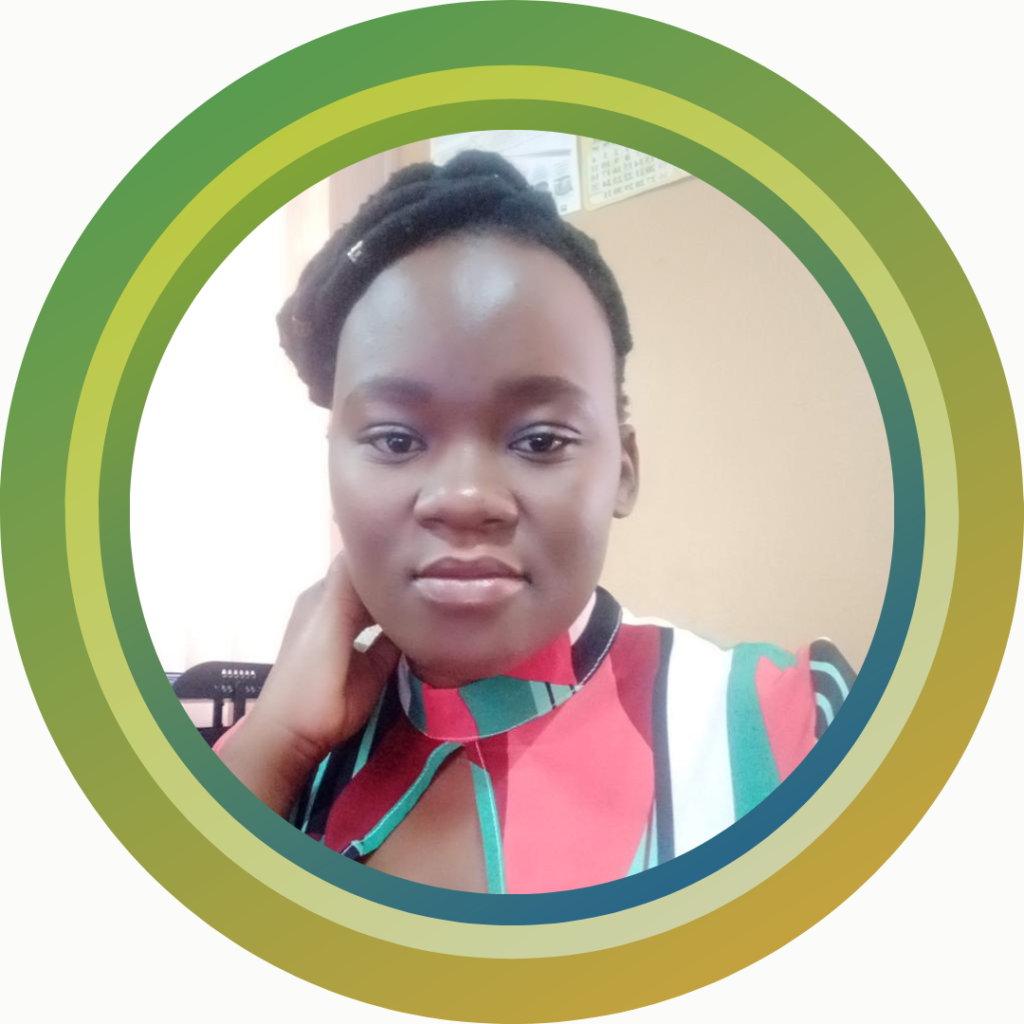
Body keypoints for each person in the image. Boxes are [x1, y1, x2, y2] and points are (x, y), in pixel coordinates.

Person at [216, 150, 855, 894]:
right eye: (395, 440)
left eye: (541, 440)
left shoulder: (788, 730)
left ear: (623, 470)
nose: (463, 498)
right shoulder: (286, 761)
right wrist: (275, 746)